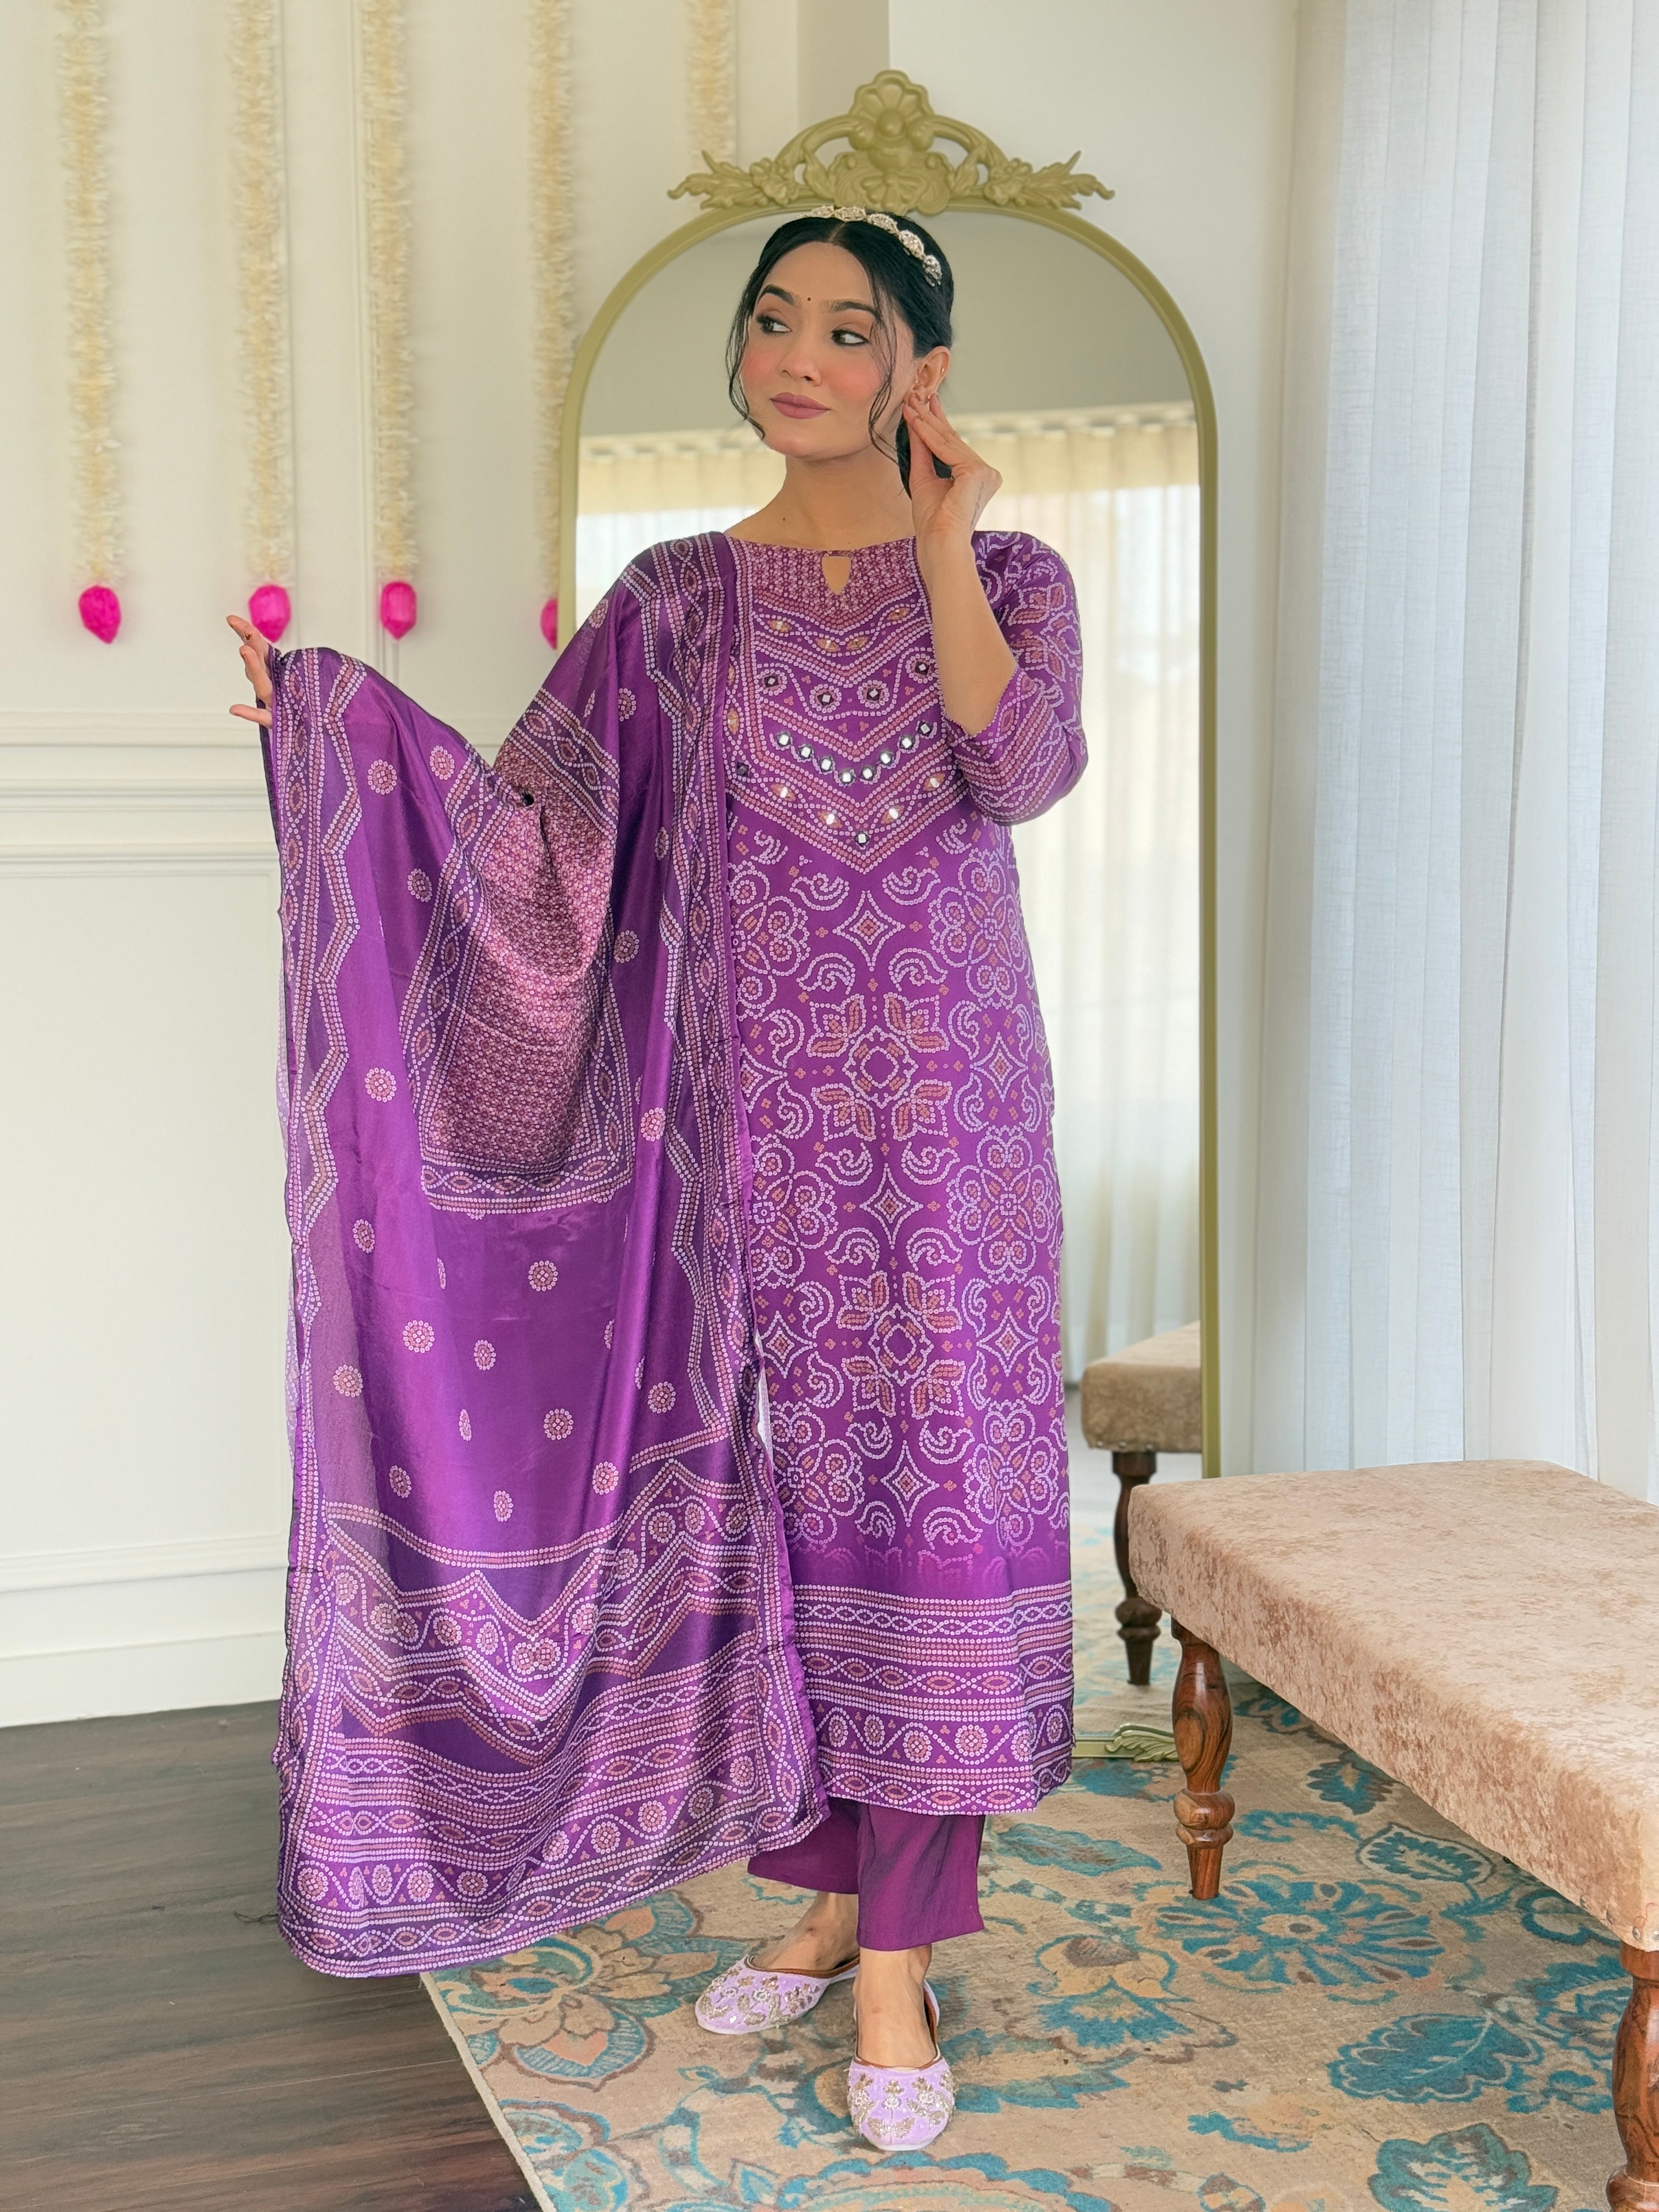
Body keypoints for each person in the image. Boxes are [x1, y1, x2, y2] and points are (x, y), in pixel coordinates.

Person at [230, 208, 1083, 2153]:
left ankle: (894, 1955)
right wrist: (327, 731)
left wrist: (943, 538)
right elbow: (527, 841)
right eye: (770, 318)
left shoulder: (1011, 568)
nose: (797, 353)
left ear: (919, 369)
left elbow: (1019, 767)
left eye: (850, 329)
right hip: (737, 1124)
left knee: (926, 1495)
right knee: (780, 1500)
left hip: (948, 1116)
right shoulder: (673, 599)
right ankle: (816, 1890)